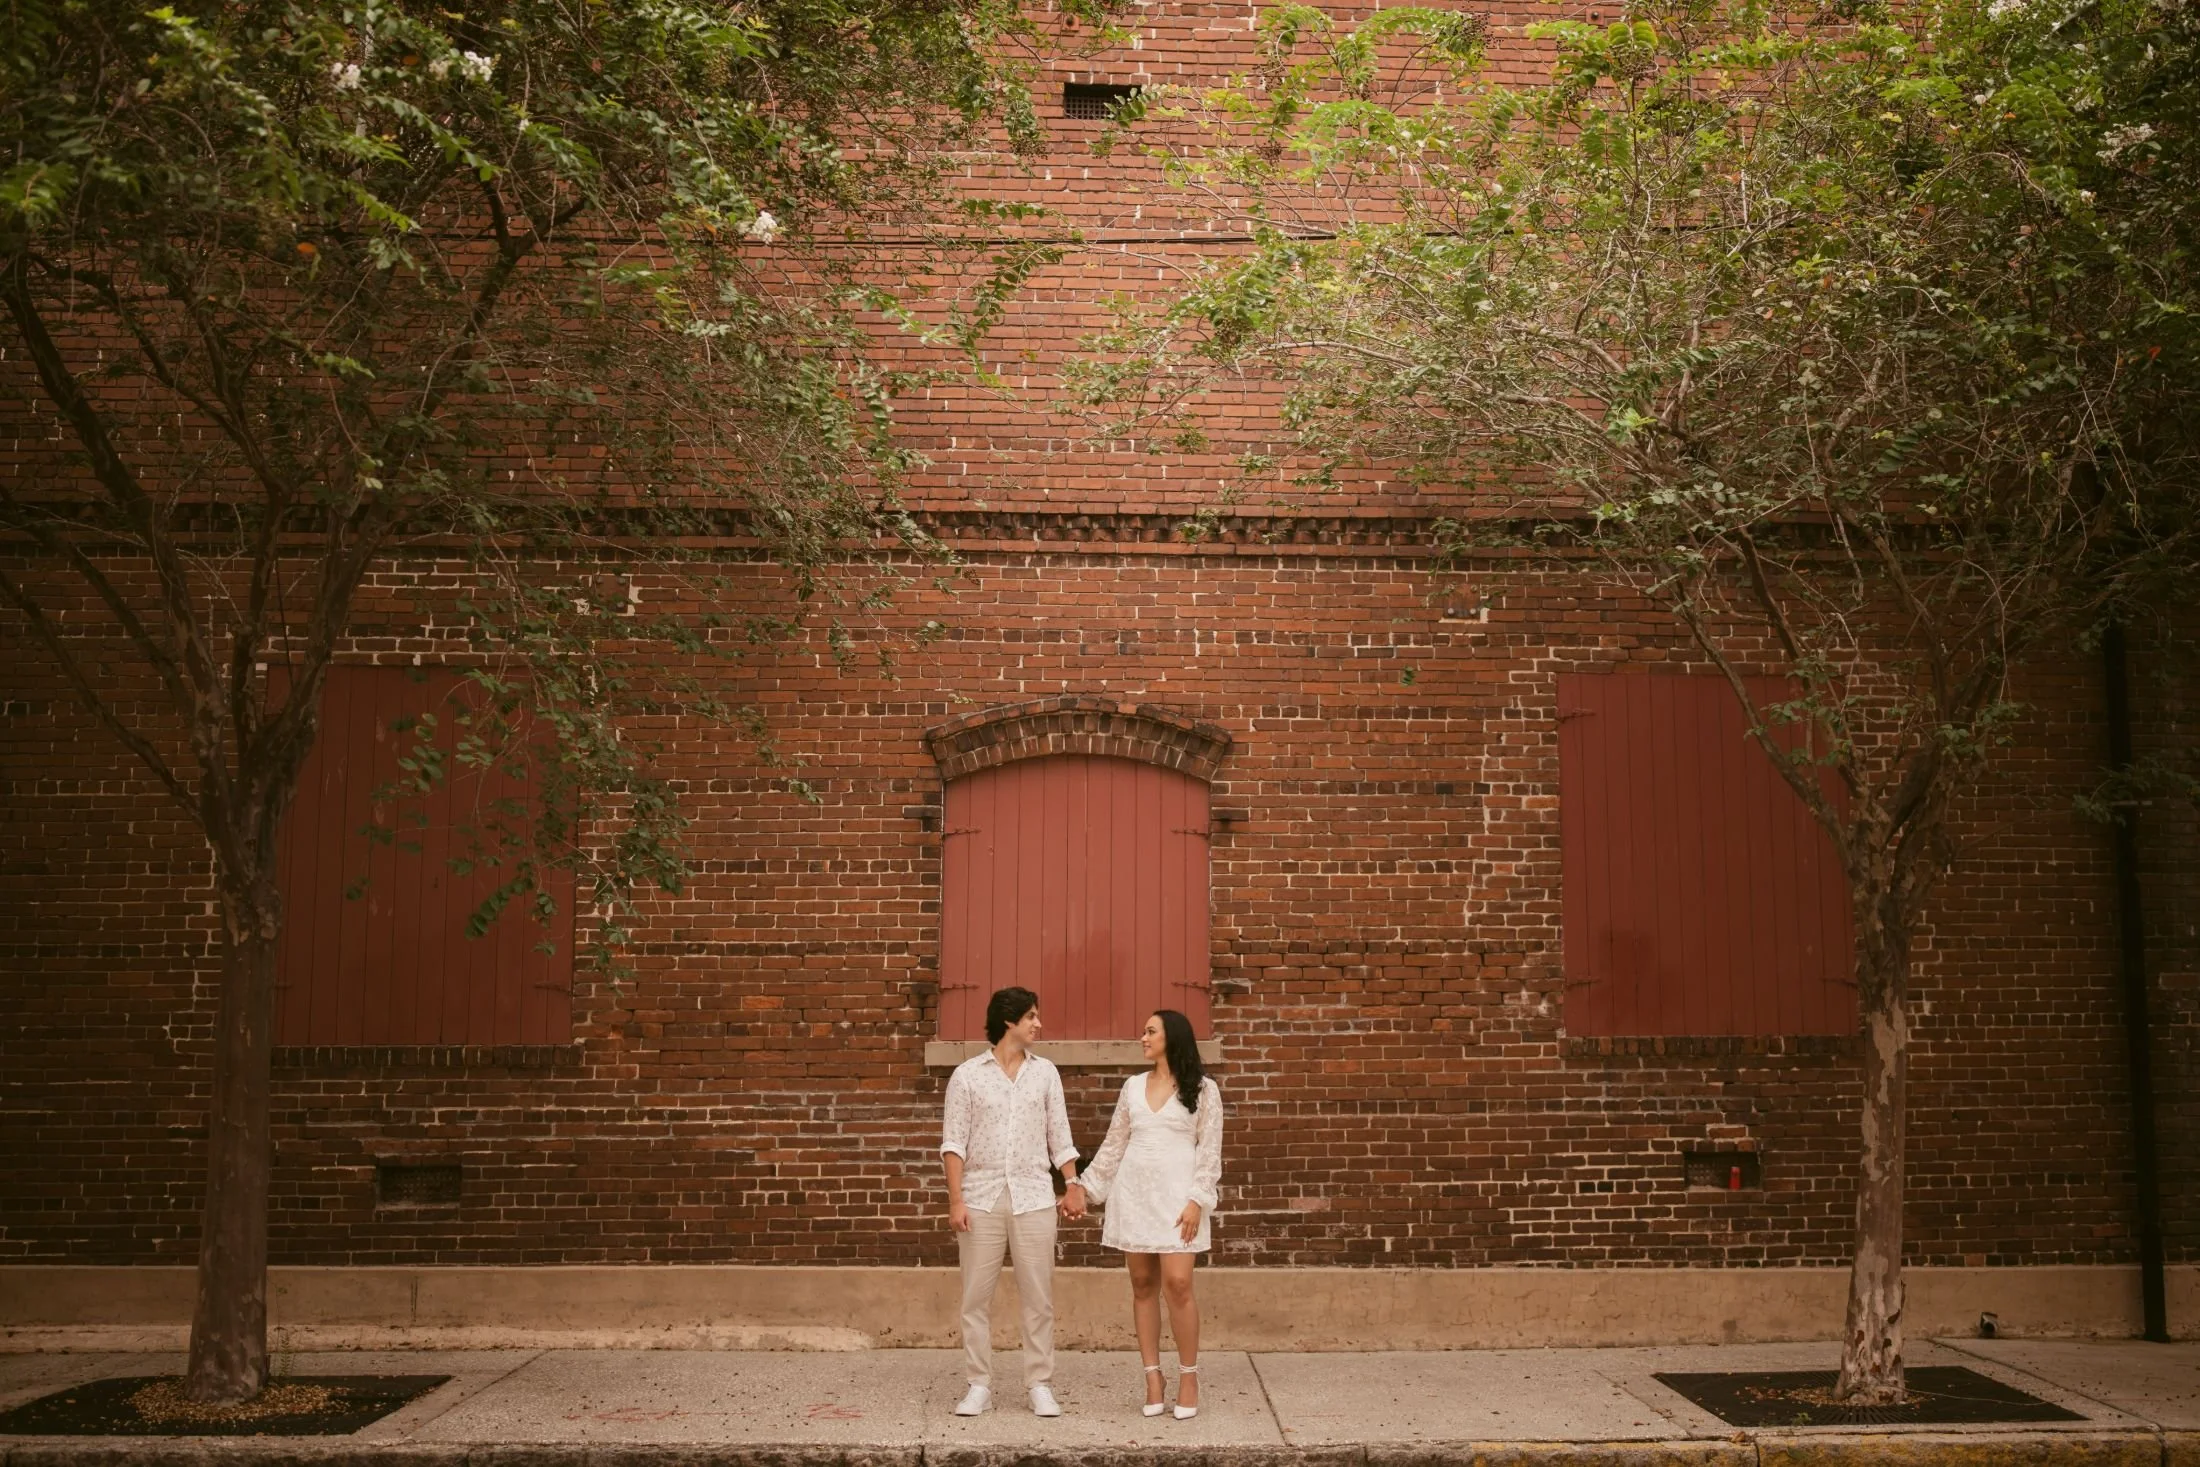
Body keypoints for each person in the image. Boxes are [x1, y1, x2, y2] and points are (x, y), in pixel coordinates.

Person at [1062, 1009, 1223, 1420]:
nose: (1143, 1037)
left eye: (1150, 1031)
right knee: (1142, 1283)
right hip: (1134, 1193)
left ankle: (1189, 1375)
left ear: (1173, 1036)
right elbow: (1114, 1144)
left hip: (1178, 1198)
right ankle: (1153, 1376)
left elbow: (1209, 1152)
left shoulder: (1204, 1090)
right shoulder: (1132, 1086)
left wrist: (1196, 1200)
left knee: (1179, 1283)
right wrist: (1084, 1189)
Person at [939, 986, 1080, 1417]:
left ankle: (1039, 1384)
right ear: (1009, 1021)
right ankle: (978, 1384)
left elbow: (1060, 1136)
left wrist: (1072, 1184)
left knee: (1038, 1296)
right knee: (974, 1299)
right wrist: (956, 1200)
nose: (1038, 1024)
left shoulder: (1046, 1074)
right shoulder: (967, 1075)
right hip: (980, 1200)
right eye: (1032, 1016)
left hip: (1035, 1196)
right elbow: (953, 1144)